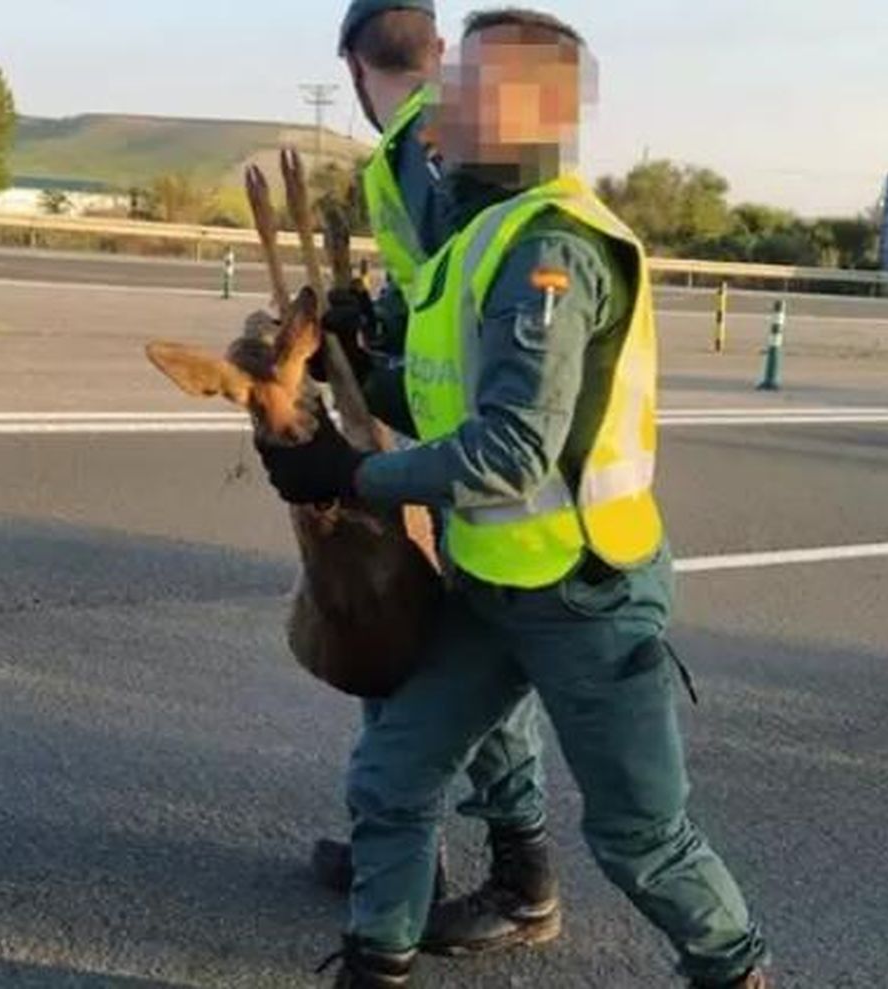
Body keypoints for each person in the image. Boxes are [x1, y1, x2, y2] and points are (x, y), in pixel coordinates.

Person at [259, 9, 772, 987]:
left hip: (586, 596)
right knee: (390, 777)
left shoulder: (553, 251)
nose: (442, 105)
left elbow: (513, 447)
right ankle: (375, 965)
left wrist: (349, 475)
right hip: (491, 586)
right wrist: (358, 366)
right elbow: (447, 396)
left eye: (469, 89)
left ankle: (736, 970)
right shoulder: (482, 236)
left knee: (641, 836)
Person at [308, 0, 564, 957]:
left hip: (471, 453)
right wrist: (375, 323)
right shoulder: (437, 140)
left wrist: (380, 421)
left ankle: (521, 874)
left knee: (455, 654)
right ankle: (399, 843)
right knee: (404, 635)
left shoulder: (430, 142)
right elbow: (446, 285)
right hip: (455, 430)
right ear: (441, 47)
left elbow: (472, 288)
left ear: (351, 64)